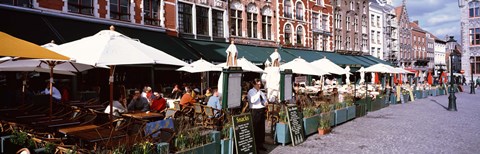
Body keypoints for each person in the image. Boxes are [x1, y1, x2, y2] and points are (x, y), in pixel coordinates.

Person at [247, 78, 267, 151]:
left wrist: (265, 102)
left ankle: (260, 144)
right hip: (255, 111)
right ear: (254, 84)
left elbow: (264, 99)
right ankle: (255, 146)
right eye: (258, 84)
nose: (259, 85)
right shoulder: (251, 91)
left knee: (261, 129)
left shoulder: (260, 92)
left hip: (261, 110)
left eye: (260, 84)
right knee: (256, 129)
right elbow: (253, 100)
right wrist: (258, 93)